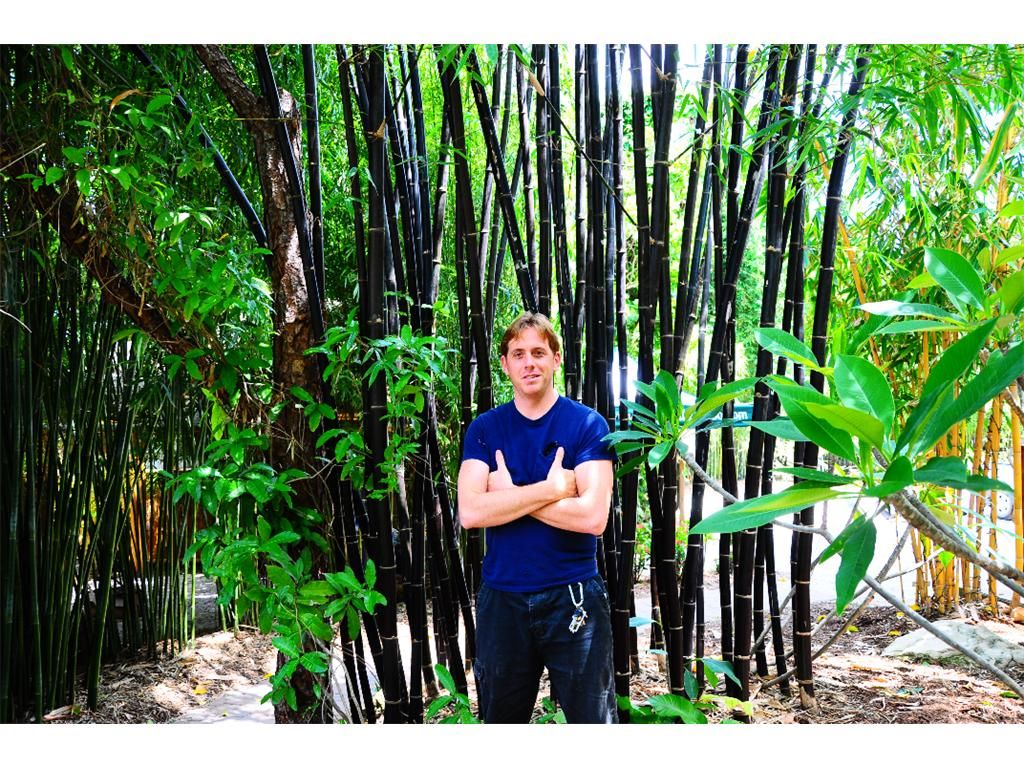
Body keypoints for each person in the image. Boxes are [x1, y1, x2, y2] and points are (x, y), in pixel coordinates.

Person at [457, 311, 616, 724]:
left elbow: (593, 517)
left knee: (593, 724)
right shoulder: (485, 429)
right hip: (502, 599)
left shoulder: (587, 425)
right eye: (519, 354)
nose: (529, 363)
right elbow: (471, 512)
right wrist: (552, 489)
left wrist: (507, 496)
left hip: (573, 596)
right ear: (505, 364)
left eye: (539, 353)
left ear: (556, 359)